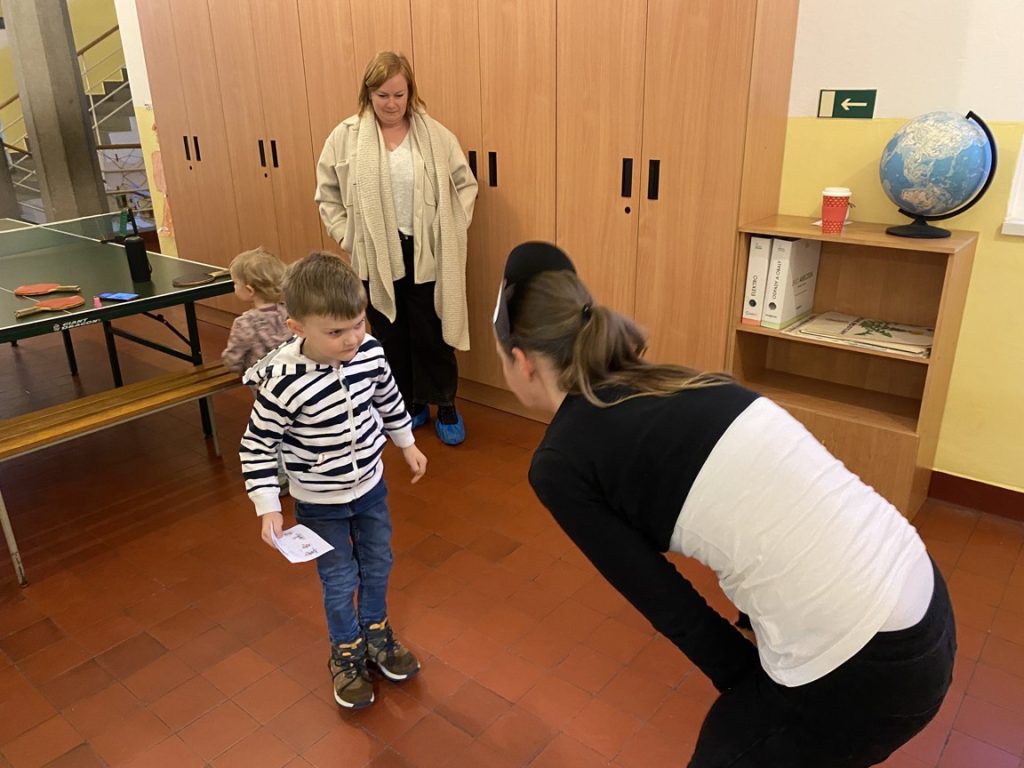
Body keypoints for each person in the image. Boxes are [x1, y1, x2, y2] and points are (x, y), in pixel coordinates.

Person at [492, 241, 956, 768]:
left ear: (522, 362)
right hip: (923, 597)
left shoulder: (560, 461)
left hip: (870, 664)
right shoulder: (675, 381)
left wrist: (752, 692)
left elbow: (667, 603)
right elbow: (766, 509)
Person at [239, 251, 428, 710]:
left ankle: (377, 633)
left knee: (378, 563)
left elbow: (388, 397)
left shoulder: (370, 352)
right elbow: (257, 445)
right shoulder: (283, 383)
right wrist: (268, 505)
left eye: (358, 324)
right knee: (340, 579)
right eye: (336, 332)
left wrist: (405, 442)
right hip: (319, 502)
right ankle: (346, 651)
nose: (352, 339)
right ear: (297, 327)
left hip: (371, 488)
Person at [315, 51, 478, 446]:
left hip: (426, 252)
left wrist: (451, 231)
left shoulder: (435, 135)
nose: (391, 104)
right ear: (368, 94)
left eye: (399, 95)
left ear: (410, 93)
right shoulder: (345, 137)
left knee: (433, 332)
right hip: (375, 255)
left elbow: (465, 185)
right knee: (390, 334)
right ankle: (408, 402)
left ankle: (445, 404)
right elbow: (327, 195)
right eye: (382, 95)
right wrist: (347, 237)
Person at [222, 247, 292, 492]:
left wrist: (234, 366)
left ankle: (281, 478)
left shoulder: (244, 323)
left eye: (235, 283)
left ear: (249, 290)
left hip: (265, 389)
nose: (234, 287)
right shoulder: (291, 313)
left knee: (271, 431)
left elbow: (233, 358)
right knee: (294, 426)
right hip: (295, 382)